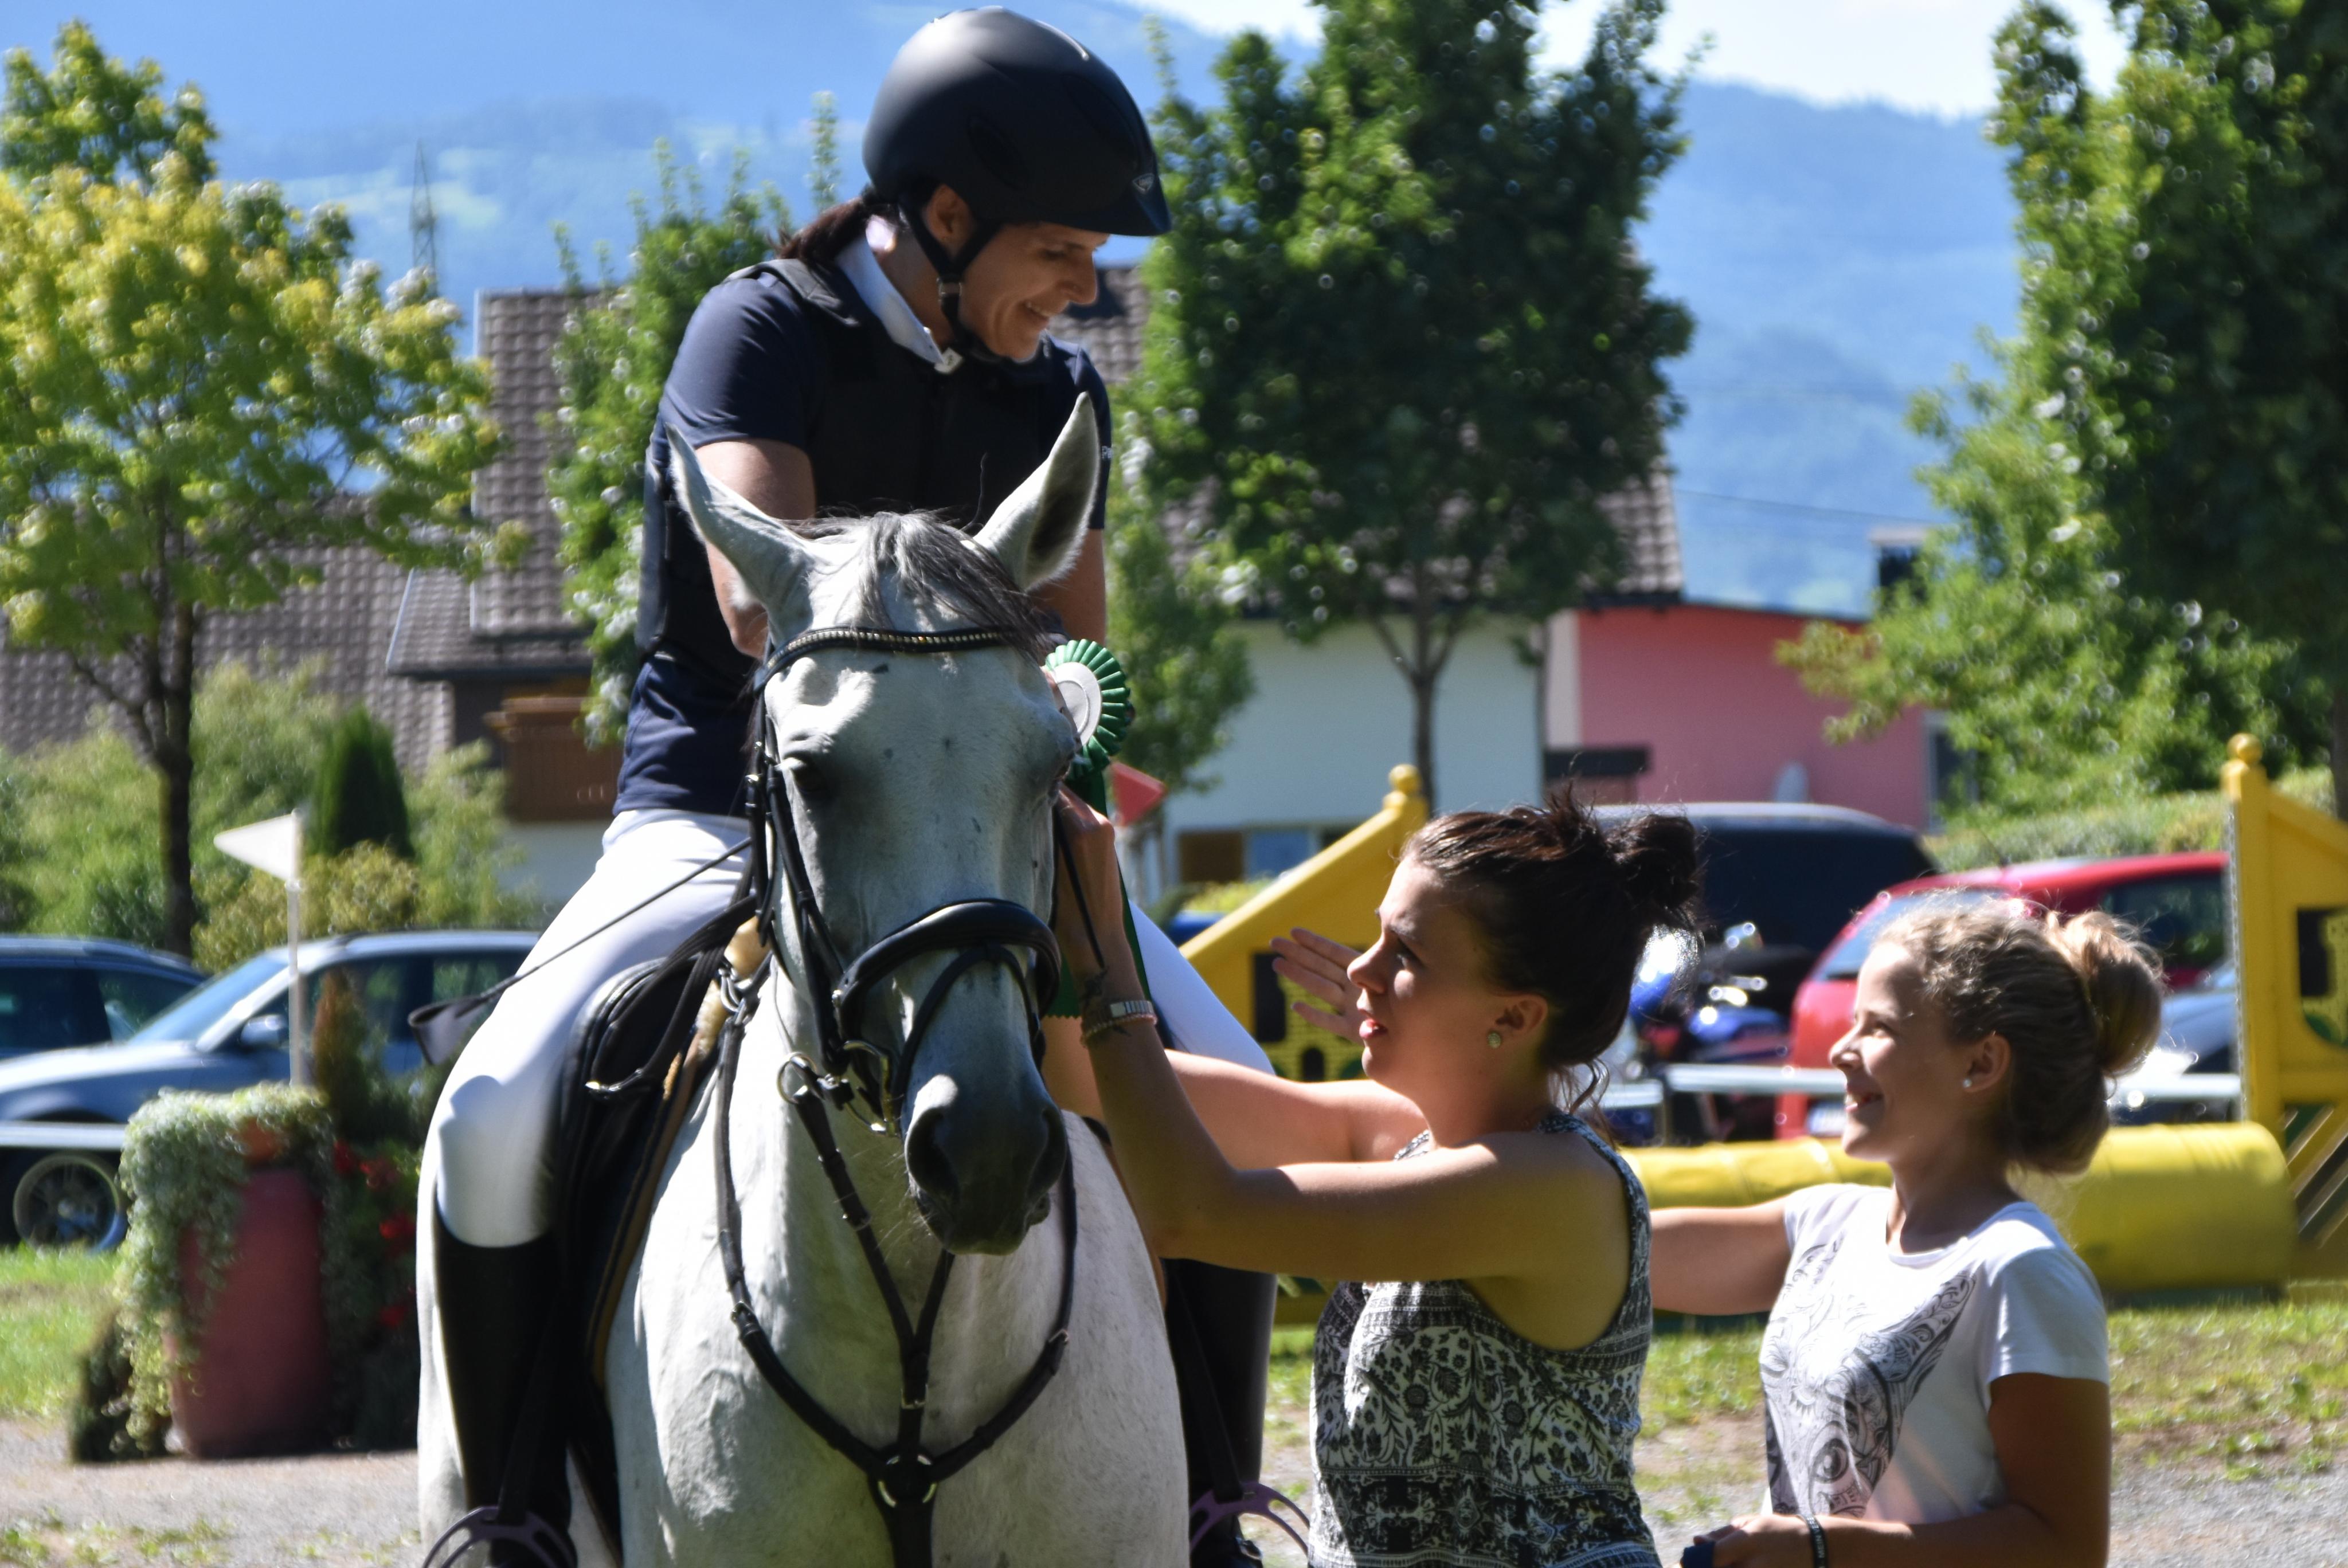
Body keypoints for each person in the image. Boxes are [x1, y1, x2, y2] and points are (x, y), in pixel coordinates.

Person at [420, 11, 1290, 1562]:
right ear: (945, 218)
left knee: (1223, 1082)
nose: (1085, 290)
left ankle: (1218, 1496)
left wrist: (1062, 785)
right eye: (1060, 250)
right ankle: (510, 1519)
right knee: (494, 1112)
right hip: (722, 814)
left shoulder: (1056, 392)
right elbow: (763, 608)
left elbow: (1077, 661)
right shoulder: (758, 332)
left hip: (988, 838)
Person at [1047, 784, 1705, 1568]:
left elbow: (1194, 1212)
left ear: (1512, 1017)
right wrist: (1038, 874)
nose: (1362, 968)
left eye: (1407, 955)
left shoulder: (1550, 1185)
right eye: (1378, 937)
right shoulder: (1405, 1135)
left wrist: (1108, 951)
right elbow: (1081, 1080)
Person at [1652, 900, 2161, 1567]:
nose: (1841, 1051)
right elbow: (1618, 1255)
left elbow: (2065, 1548)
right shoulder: (1827, 1225)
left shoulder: (2019, 1270)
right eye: (1852, 1023)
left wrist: (1822, 1549)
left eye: (1878, 1028)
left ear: (1981, 1064)